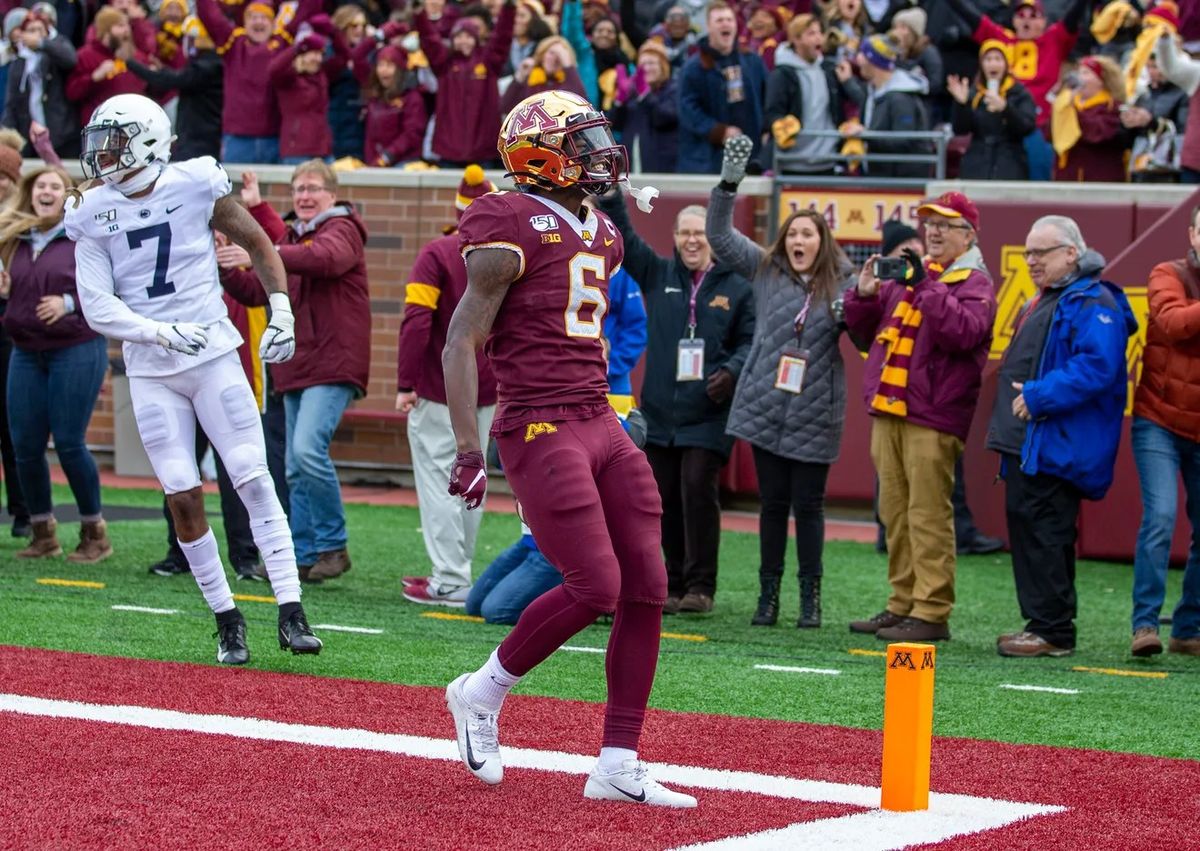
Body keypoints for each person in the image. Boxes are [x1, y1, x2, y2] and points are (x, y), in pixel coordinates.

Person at [441, 89, 696, 807]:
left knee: (647, 583)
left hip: (598, 416)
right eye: (580, 142)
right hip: (539, 421)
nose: (597, 153)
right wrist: (468, 448)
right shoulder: (503, 216)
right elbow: (463, 337)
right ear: (537, 153)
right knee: (595, 584)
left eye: (594, 139)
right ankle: (481, 692)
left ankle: (618, 759)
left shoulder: (603, 230)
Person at [64, 93, 321, 663]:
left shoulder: (197, 181)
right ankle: (226, 617)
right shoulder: (91, 209)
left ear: (149, 140)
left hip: (212, 356)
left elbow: (257, 242)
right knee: (181, 493)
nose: (102, 155)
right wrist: (156, 333)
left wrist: (280, 309)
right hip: (154, 369)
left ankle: (291, 610)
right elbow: (96, 306)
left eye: (114, 142)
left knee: (253, 477)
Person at [708, 135, 856, 629]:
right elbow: (721, 237)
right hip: (765, 407)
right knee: (772, 507)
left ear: (823, 242)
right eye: (793, 234)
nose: (799, 242)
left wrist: (861, 304)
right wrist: (729, 185)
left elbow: (867, 331)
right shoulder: (766, 269)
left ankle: (809, 600)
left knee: (808, 509)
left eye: (808, 235)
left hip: (816, 414)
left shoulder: (845, 282)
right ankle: (767, 598)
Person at [844, 192, 996, 642]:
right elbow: (865, 331)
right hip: (890, 410)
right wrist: (864, 297)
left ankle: (931, 611)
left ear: (968, 234)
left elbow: (962, 334)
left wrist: (924, 286)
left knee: (927, 514)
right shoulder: (917, 274)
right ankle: (902, 603)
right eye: (929, 223)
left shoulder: (975, 282)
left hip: (932, 416)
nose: (932, 231)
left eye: (945, 225)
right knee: (894, 512)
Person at [597, 189, 753, 616]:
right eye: (684, 232)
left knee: (697, 491)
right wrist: (611, 198)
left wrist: (733, 371)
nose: (691, 240)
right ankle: (675, 581)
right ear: (674, 236)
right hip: (661, 412)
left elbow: (750, 341)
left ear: (715, 239)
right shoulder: (659, 274)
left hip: (707, 412)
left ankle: (701, 586)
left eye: (699, 233)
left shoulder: (737, 287)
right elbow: (625, 239)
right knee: (661, 498)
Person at [987, 216, 1135, 657]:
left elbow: (1098, 367)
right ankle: (1042, 624)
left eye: (1041, 253)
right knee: (1030, 527)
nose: (1031, 261)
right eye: (1028, 252)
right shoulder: (1056, 296)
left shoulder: (1094, 301)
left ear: (1071, 253)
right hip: (1034, 441)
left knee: (1047, 531)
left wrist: (1039, 395)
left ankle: (1053, 630)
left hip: (1058, 442)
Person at [224, 162, 370, 584]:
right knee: (292, 466)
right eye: (299, 190)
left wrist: (260, 252)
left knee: (306, 452)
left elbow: (325, 259)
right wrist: (224, 268)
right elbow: (257, 291)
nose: (305, 196)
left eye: (313, 189)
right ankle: (305, 554)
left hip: (331, 362)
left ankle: (332, 545)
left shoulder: (342, 229)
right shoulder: (294, 237)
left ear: (332, 194)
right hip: (296, 364)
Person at [397, 165, 499, 606]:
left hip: (440, 386)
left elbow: (416, 323)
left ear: (458, 212)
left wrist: (405, 381)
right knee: (475, 474)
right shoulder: (506, 257)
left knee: (441, 479)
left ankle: (451, 577)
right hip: (491, 385)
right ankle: (460, 571)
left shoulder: (437, 253)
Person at [0, 165, 109, 561]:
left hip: (75, 348)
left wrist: (68, 303)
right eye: (40, 186)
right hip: (26, 350)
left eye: (55, 186)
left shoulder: (84, 236)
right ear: (30, 194)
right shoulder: (14, 238)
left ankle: (94, 532)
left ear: (68, 196)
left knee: (68, 441)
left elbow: (114, 287)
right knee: (24, 445)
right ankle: (43, 532)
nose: (46, 192)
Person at [1129, 208, 1200, 657]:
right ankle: (1145, 625)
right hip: (1157, 420)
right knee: (1160, 518)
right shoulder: (1166, 273)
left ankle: (1188, 628)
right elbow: (1173, 324)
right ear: (1193, 233)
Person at [942, 0, 1091, 180]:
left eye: (1033, 16)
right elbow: (970, 16)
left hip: (1039, 129)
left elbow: (1072, 18)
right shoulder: (1001, 40)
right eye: (1021, 16)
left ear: (1044, 21)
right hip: (1001, 132)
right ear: (1013, 20)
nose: (1026, 21)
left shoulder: (1053, 39)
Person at [416, 0, 514, 167]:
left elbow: (502, 38)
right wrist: (419, 16)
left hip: (483, 149)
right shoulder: (444, 63)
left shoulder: (488, 61)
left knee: (485, 193)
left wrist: (509, 9)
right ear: (452, 39)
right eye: (459, 36)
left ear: (476, 38)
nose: (464, 41)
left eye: (468, 36)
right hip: (449, 149)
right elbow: (429, 40)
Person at [676, 1, 767, 174]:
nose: (725, 23)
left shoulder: (752, 61)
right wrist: (719, 131)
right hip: (708, 160)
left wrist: (766, 130)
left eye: (729, 20)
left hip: (750, 157)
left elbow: (766, 98)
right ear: (709, 27)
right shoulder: (693, 67)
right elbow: (687, 110)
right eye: (719, 21)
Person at [765, 14, 849, 175]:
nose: (819, 38)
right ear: (796, 40)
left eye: (819, 33)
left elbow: (853, 102)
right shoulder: (781, 75)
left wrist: (848, 82)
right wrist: (781, 124)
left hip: (828, 163)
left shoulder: (829, 70)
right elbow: (772, 113)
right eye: (811, 33)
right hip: (792, 164)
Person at [841, 34, 933, 178]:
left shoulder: (901, 99)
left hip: (901, 182)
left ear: (874, 61)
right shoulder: (873, 91)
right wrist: (847, 82)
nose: (858, 59)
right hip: (878, 176)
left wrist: (865, 134)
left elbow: (902, 140)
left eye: (863, 54)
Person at [948, 39, 1038, 180]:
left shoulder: (1019, 93)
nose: (993, 64)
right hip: (977, 164)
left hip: (1010, 163)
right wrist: (961, 104)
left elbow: (1027, 127)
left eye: (998, 59)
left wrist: (1005, 108)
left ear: (1006, 64)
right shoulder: (974, 93)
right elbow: (960, 129)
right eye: (988, 59)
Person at [2, 11, 79, 159]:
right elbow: (11, 104)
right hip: (29, 135)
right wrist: (6, 136)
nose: (36, 35)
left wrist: (41, 44)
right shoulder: (19, 62)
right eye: (31, 30)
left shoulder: (56, 49)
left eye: (40, 30)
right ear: (23, 34)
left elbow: (70, 59)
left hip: (60, 134)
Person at [65, 6, 148, 126]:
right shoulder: (85, 55)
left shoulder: (135, 55)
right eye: (120, 26)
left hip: (134, 125)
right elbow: (72, 92)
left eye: (127, 25)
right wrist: (94, 77)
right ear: (106, 30)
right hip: (101, 127)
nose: (126, 30)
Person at [1051, 55, 1129, 183]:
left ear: (1101, 79)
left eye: (1085, 73)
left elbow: (1098, 133)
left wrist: (1073, 113)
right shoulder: (1068, 105)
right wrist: (1059, 109)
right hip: (1067, 177)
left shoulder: (1113, 108)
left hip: (1099, 180)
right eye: (1079, 72)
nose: (1079, 78)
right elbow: (1050, 134)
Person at [610, 39, 678, 173]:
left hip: (662, 165)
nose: (646, 68)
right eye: (642, 64)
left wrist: (645, 95)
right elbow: (615, 125)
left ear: (662, 66)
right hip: (632, 163)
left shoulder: (673, 89)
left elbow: (665, 117)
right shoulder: (634, 93)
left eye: (651, 63)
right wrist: (620, 101)